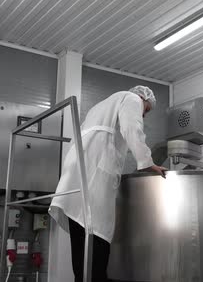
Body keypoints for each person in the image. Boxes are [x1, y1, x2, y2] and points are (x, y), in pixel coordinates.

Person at [49, 85, 167, 282]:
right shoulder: (131, 98)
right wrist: (147, 163)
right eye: (146, 110)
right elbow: (132, 128)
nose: (144, 115)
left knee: (79, 237)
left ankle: (83, 278)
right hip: (95, 170)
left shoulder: (101, 105)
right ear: (143, 98)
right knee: (98, 234)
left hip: (77, 171)